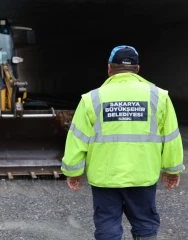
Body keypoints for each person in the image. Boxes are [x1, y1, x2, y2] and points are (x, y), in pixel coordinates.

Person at [61, 45, 185, 240]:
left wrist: (73, 172)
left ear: (109, 68)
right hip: (142, 175)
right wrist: (172, 169)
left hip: (105, 177)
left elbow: (77, 139)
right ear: (137, 69)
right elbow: (170, 137)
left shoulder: (91, 99)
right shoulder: (159, 96)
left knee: (107, 225)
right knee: (145, 224)